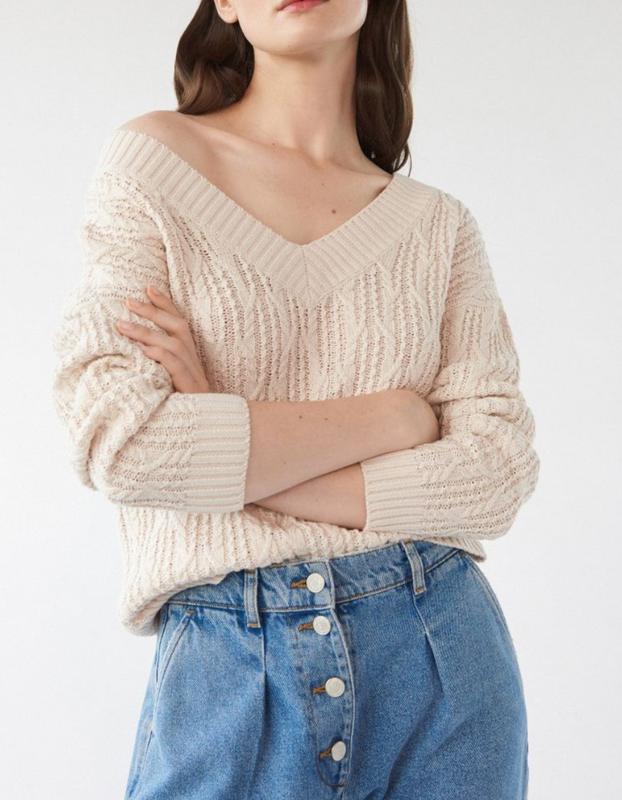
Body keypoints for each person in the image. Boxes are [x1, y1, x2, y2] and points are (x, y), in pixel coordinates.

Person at [51, 1, 540, 798]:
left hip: (441, 655)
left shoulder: (438, 229)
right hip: (230, 665)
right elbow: (123, 443)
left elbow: (496, 474)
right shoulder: (154, 166)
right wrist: (395, 417)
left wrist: (221, 433)